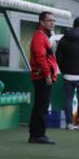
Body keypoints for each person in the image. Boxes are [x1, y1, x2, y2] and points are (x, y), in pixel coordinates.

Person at [28, 11, 59, 145]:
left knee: (41, 106)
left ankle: (36, 134)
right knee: (41, 107)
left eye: (53, 20)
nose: (52, 23)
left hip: (43, 76)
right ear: (41, 22)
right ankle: (38, 135)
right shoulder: (39, 37)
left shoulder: (42, 36)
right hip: (42, 76)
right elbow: (41, 58)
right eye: (49, 20)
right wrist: (47, 74)